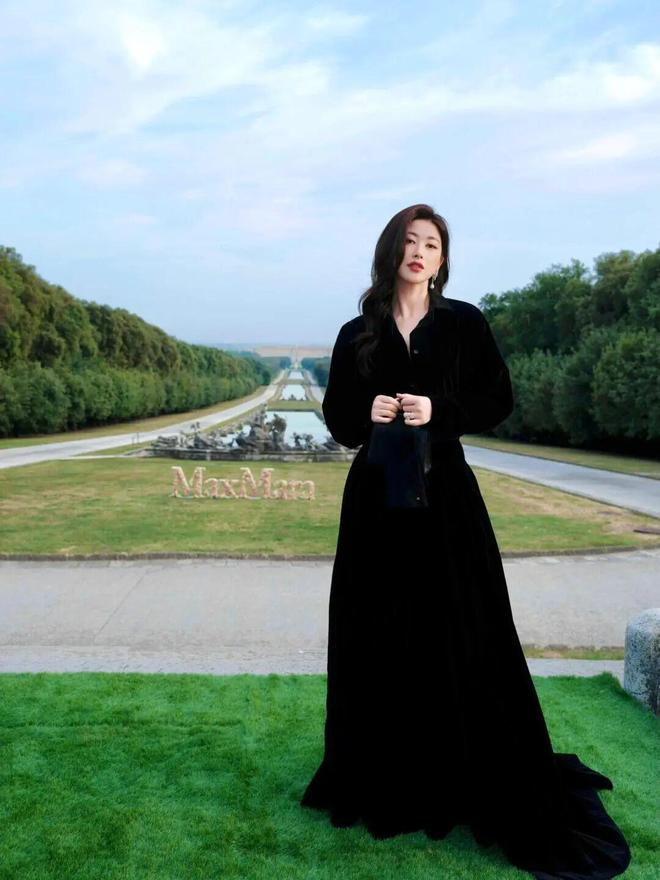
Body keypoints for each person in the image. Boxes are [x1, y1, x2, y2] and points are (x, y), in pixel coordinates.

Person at [300, 204, 632, 880]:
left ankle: (460, 768)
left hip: (446, 499)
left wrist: (439, 411)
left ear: (442, 260)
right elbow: (337, 420)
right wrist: (366, 410)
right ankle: (385, 775)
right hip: (375, 504)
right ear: (391, 251)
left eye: (432, 243)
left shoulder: (464, 323)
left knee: (461, 627)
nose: (420, 252)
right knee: (378, 630)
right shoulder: (355, 332)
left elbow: (498, 399)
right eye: (410, 241)